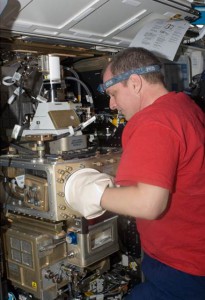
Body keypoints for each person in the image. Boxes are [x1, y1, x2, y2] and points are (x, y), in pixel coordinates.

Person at [66, 47, 205, 299]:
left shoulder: (152, 121)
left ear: (135, 82)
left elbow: (148, 204)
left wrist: (89, 192)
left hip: (182, 266)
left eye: (113, 93)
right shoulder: (184, 106)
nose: (112, 104)